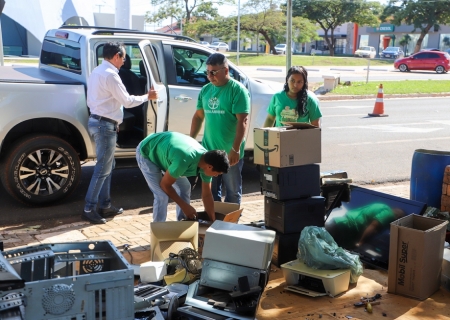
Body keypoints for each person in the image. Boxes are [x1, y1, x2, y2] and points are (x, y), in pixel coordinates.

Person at [83, 42, 158, 224]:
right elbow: (127, 101)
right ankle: (89, 208)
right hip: (104, 125)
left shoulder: (97, 71)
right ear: (116, 56)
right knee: (102, 168)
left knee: (108, 167)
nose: (124, 61)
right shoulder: (111, 75)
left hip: (98, 121)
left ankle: (105, 205)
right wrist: (147, 97)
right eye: (123, 57)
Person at [190, 53, 250, 204]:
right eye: (208, 72)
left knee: (233, 192)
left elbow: (242, 121)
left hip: (230, 153)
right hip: (209, 151)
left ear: (226, 70)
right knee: (211, 192)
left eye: (214, 72)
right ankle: (214, 221)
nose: (210, 76)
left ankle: (231, 224)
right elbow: (198, 117)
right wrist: (190, 142)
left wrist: (235, 149)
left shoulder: (238, 90)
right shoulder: (205, 90)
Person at [136, 131, 230, 222]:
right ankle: (158, 231)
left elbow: (207, 195)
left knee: (185, 187)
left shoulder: (207, 161)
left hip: (168, 153)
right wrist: (185, 206)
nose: (216, 176)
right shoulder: (184, 161)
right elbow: (165, 185)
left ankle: (182, 223)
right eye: (217, 173)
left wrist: (212, 221)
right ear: (210, 167)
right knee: (162, 195)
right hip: (147, 150)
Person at [325, 203, 406, 249]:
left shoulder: (381, 206)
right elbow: (373, 226)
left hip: (340, 222)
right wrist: (360, 243)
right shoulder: (389, 214)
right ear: (397, 218)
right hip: (345, 228)